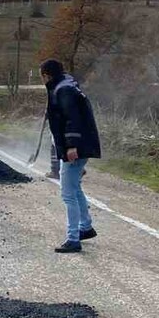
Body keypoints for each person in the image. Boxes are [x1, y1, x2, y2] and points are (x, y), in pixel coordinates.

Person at [40, 58, 101, 253]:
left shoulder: (63, 90)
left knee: (67, 194)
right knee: (75, 188)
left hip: (75, 147)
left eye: (42, 76)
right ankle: (86, 227)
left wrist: (72, 145)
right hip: (80, 145)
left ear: (46, 75)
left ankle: (73, 239)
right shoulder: (66, 85)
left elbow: (71, 119)